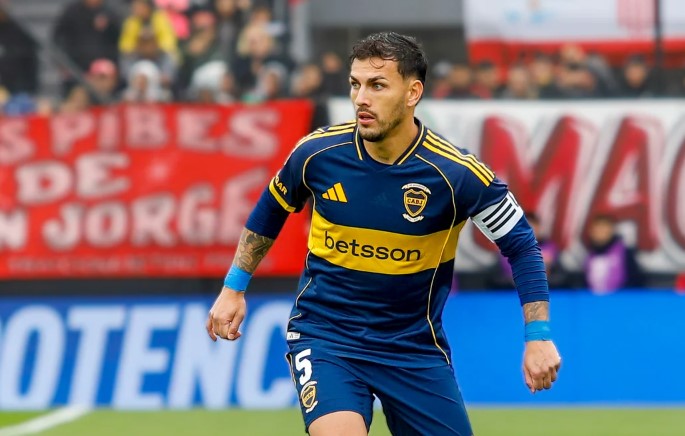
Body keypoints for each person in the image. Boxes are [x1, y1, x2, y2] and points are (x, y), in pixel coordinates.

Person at [206, 32, 561, 436]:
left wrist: (538, 336)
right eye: (355, 84)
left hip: (413, 349)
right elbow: (270, 210)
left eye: (377, 85)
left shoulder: (457, 175)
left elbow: (521, 246)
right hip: (327, 337)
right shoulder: (316, 154)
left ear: (412, 93)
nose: (361, 98)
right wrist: (233, 287)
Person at [583, 214, 643, 294]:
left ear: (612, 230)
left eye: (604, 228)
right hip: (594, 300)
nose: (600, 232)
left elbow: (636, 280)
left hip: (619, 299)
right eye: (598, 229)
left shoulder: (624, 253)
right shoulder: (589, 256)